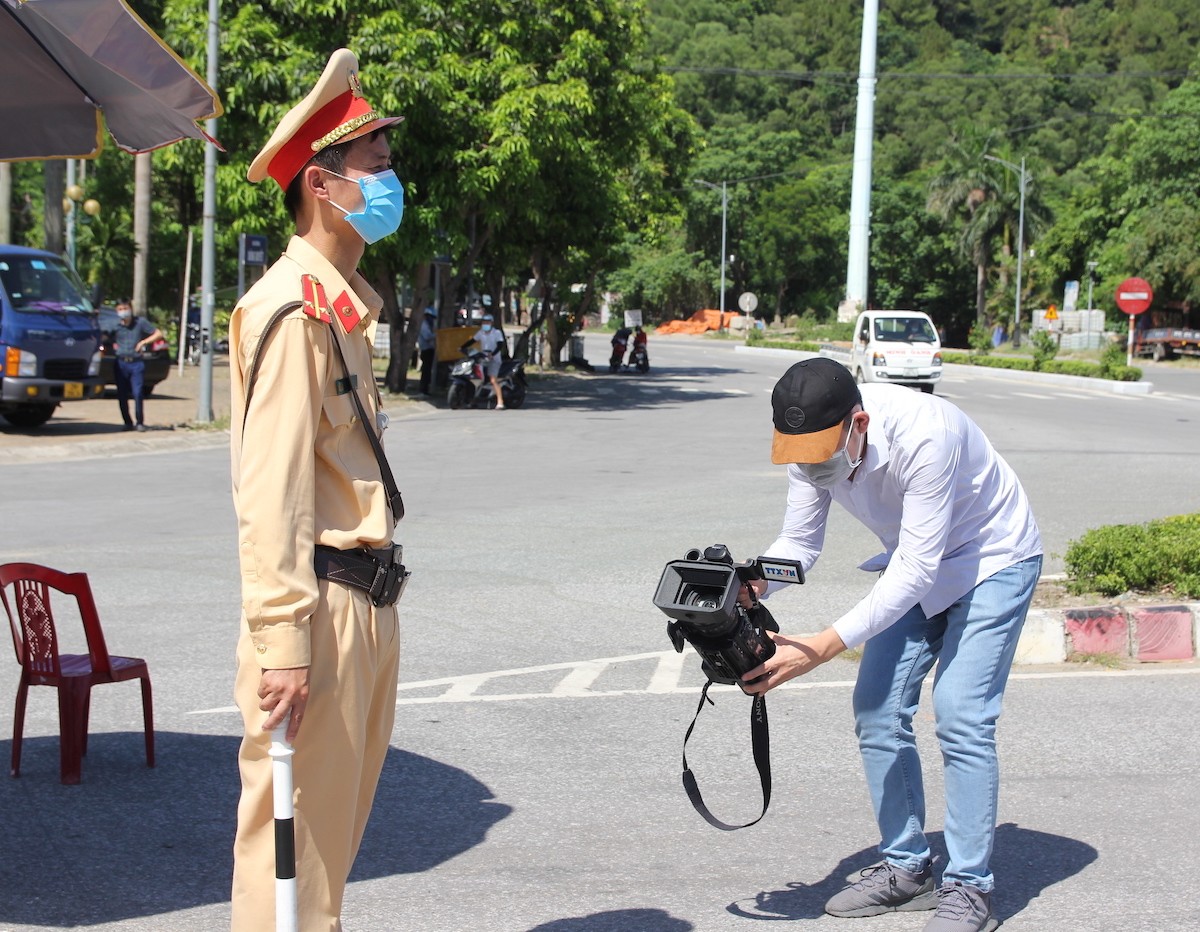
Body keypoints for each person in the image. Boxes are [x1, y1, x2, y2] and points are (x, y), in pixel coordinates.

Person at [741, 357, 1042, 932]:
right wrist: (751, 583)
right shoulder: (811, 448)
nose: (813, 467)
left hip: (992, 558)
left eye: (823, 454)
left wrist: (823, 645)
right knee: (876, 709)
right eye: (800, 455)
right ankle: (908, 869)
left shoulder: (928, 433)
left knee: (961, 713)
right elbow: (799, 545)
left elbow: (917, 569)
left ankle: (970, 887)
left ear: (859, 422)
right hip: (914, 560)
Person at [229, 48, 407, 931]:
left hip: (366, 600)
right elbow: (272, 492)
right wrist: (283, 640)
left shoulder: (341, 306)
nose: (391, 182)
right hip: (321, 610)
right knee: (289, 857)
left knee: (328, 861)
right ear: (322, 182)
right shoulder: (291, 309)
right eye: (376, 166)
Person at [104, 299, 162, 431]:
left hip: (136, 363)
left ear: (130, 309)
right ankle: (127, 422)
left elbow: (158, 334)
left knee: (137, 393)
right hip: (121, 363)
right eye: (120, 309)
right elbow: (104, 336)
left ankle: (139, 422)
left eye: (125, 308)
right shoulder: (114, 325)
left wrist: (143, 342)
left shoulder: (140, 323)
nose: (123, 312)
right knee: (122, 394)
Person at [464, 312, 506, 409]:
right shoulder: (481, 333)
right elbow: (472, 341)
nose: (485, 324)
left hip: (494, 360)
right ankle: (473, 401)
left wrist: (493, 354)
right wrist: (462, 347)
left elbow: (500, 345)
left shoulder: (496, 333)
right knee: (478, 380)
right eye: (484, 322)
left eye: (488, 322)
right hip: (483, 359)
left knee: (493, 380)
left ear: (492, 323)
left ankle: (500, 402)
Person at [417, 306, 437, 395]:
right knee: (426, 371)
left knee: (428, 371)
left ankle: (426, 389)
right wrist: (436, 335)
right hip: (426, 349)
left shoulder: (428, 324)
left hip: (429, 349)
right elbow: (427, 336)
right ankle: (423, 390)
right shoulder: (424, 324)